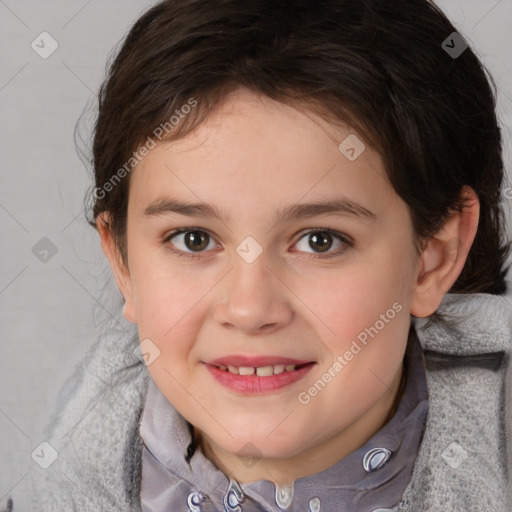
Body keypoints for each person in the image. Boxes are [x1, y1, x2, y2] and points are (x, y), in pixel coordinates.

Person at [5, 0, 511, 510]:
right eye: (193, 239)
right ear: (123, 264)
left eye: (320, 240)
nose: (249, 309)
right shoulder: (60, 461)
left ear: (433, 258)